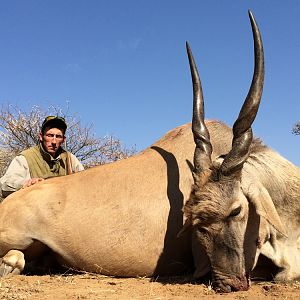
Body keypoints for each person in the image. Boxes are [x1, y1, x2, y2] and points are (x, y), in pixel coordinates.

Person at [0, 116, 84, 198]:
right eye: (50, 135)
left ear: (63, 140)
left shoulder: (69, 158)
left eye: (58, 137)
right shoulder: (26, 157)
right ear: (41, 136)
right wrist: (27, 183)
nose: (54, 141)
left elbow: (84, 181)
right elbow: (5, 184)